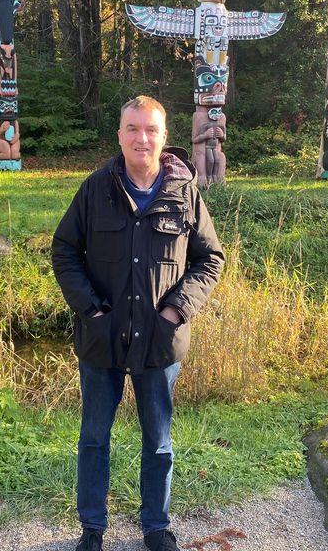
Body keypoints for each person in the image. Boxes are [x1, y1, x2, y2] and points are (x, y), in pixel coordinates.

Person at [52, 96, 225, 551]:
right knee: (93, 438)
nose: (141, 138)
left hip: (159, 343)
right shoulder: (94, 190)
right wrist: (89, 308)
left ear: (164, 137)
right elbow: (65, 251)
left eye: (150, 129)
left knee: (159, 441)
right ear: (120, 135)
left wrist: (175, 311)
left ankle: (155, 526)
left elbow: (210, 259)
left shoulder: (185, 194)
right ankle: (92, 528)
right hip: (101, 339)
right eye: (132, 129)